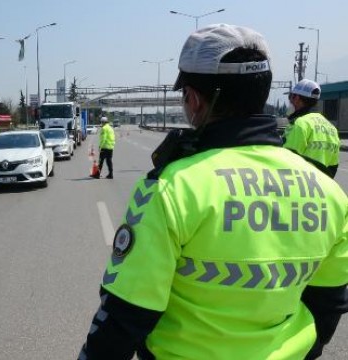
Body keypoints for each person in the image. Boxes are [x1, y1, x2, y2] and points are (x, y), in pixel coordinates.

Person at [78, 24, 348, 360]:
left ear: (193, 98)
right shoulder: (331, 196)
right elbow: (328, 306)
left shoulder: (172, 187)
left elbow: (124, 317)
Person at [283, 79, 340, 178]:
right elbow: (333, 166)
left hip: (300, 188)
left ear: (296, 98)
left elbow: (285, 160)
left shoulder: (300, 124)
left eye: (290, 97)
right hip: (322, 188)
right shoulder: (332, 129)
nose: (290, 101)